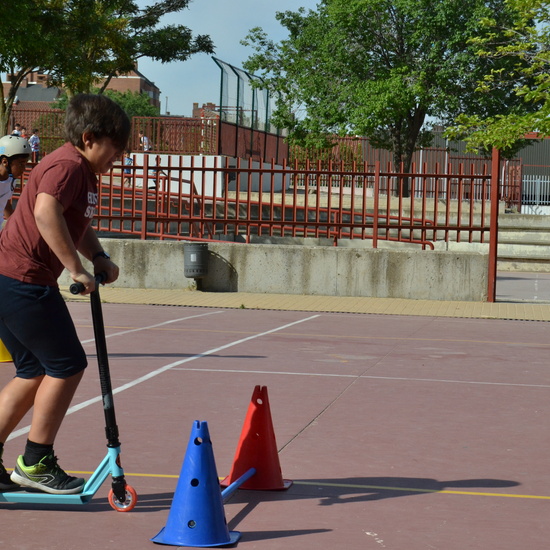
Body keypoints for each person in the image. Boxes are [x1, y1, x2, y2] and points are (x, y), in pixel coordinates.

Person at [0, 93, 130, 494]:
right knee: (67, 364)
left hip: (12, 280)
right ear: (90, 137)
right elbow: (45, 212)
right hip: (23, 282)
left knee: (32, 370)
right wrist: (75, 269)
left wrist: (98, 255)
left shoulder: (79, 169)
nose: (120, 158)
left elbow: (74, 220)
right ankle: (36, 461)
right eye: (116, 148)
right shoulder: (69, 165)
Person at [0, 135, 31, 225]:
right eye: (21, 164)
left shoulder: (11, 180)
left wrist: (14, 225)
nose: (24, 168)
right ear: (5, 162)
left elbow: (4, 202)